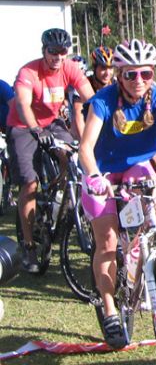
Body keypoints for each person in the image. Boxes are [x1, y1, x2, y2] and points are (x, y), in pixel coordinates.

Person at [78, 38, 156, 349]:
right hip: (104, 173)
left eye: (146, 74)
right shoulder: (103, 101)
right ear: (118, 74)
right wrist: (94, 176)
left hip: (137, 167)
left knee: (153, 214)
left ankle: (139, 255)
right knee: (107, 243)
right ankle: (109, 307)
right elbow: (85, 147)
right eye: (131, 74)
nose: (139, 81)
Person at [6, 28, 94, 273]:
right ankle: (29, 243)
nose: (57, 56)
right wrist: (35, 128)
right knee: (30, 184)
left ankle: (60, 192)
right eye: (52, 51)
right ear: (43, 51)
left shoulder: (69, 68)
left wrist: (105, 115)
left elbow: (90, 96)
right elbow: (23, 104)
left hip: (52, 124)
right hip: (24, 125)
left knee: (75, 157)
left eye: (62, 52)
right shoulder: (29, 72)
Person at [71, 46, 115, 140]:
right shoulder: (84, 82)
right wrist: (85, 144)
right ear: (94, 68)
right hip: (85, 125)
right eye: (103, 68)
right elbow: (78, 114)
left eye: (111, 68)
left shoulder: (116, 83)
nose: (108, 73)